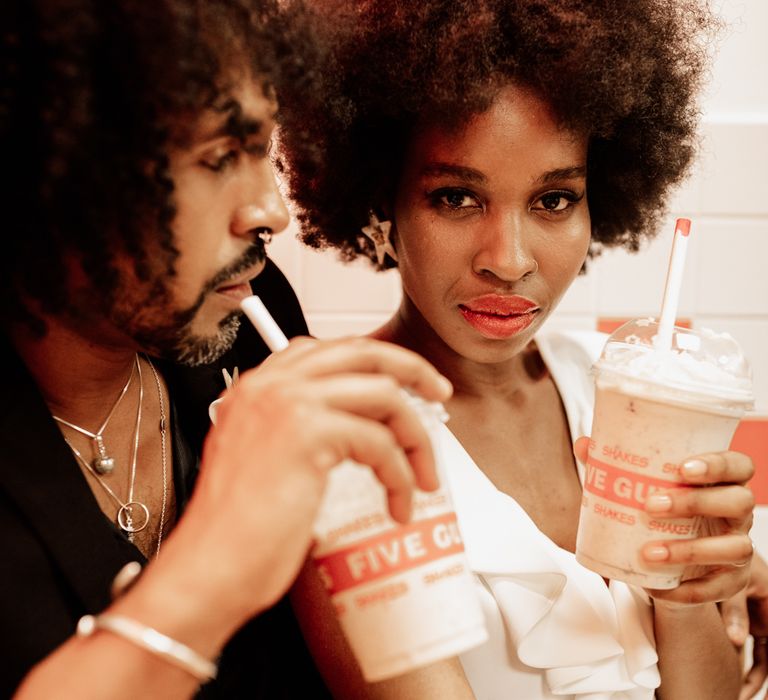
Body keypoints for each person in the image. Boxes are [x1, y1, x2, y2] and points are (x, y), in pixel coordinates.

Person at [277, 1, 755, 698]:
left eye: (554, 200)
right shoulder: (344, 439)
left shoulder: (620, 384)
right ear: (382, 199)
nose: (509, 259)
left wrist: (689, 594)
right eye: (455, 198)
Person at [0, 1, 454, 697]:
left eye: (263, 150)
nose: (270, 209)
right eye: (218, 158)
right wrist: (219, 553)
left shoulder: (249, 313)